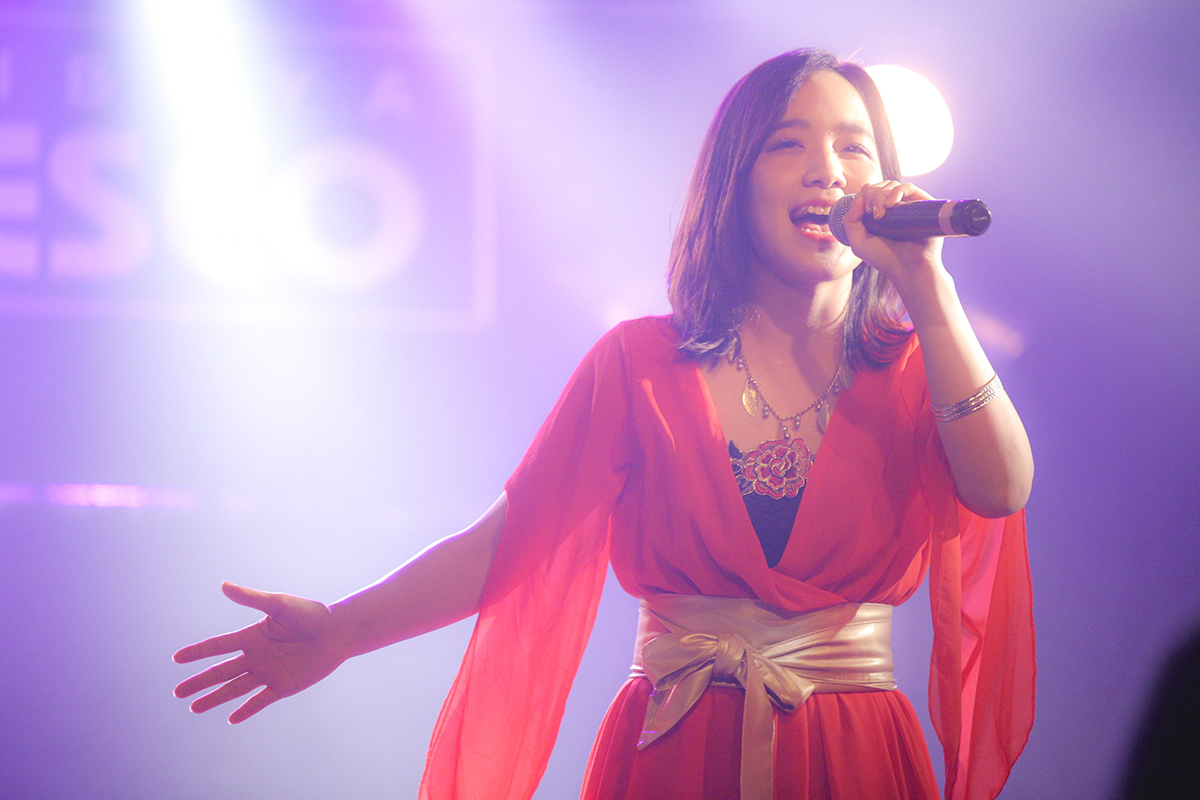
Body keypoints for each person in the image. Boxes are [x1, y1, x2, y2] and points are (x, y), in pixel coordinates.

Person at [174, 48, 1035, 800]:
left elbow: (1002, 488)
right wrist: (342, 629)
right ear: (733, 183)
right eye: (788, 144)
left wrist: (928, 285)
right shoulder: (640, 366)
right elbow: (505, 545)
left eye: (854, 147)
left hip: (852, 751)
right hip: (675, 745)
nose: (828, 172)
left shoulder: (918, 368)